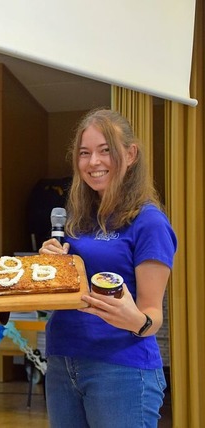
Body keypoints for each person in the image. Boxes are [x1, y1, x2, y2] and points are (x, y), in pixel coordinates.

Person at [40, 108, 177, 428]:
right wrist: (49, 270)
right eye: (84, 153)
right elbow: (60, 298)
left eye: (105, 151)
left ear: (130, 155)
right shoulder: (76, 220)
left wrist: (135, 320)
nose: (93, 162)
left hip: (121, 369)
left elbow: (152, 314)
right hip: (62, 361)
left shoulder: (149, 222)